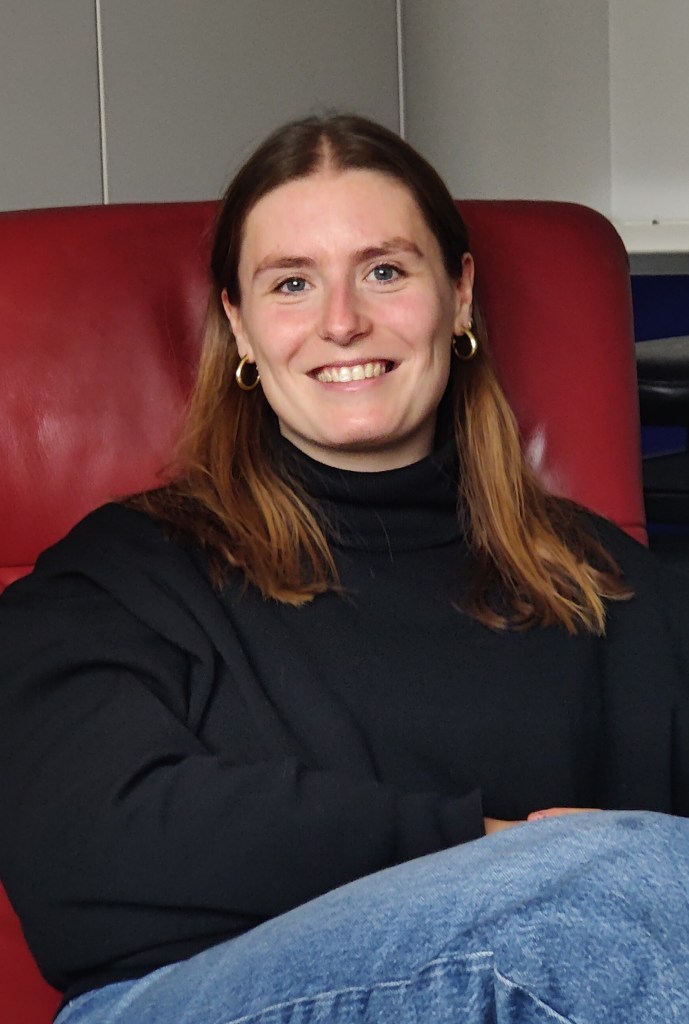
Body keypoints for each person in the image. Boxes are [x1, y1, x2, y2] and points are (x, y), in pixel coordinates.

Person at [1, 114, 689, 1024]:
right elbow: (82, 849)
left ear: (458, 295)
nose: (341, 322)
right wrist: (499, 850)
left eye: (384, 271)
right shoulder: (121, 574)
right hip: (185, 1000)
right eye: (292, 283)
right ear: (241, 327)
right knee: (611, 894)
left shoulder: (607, 580)